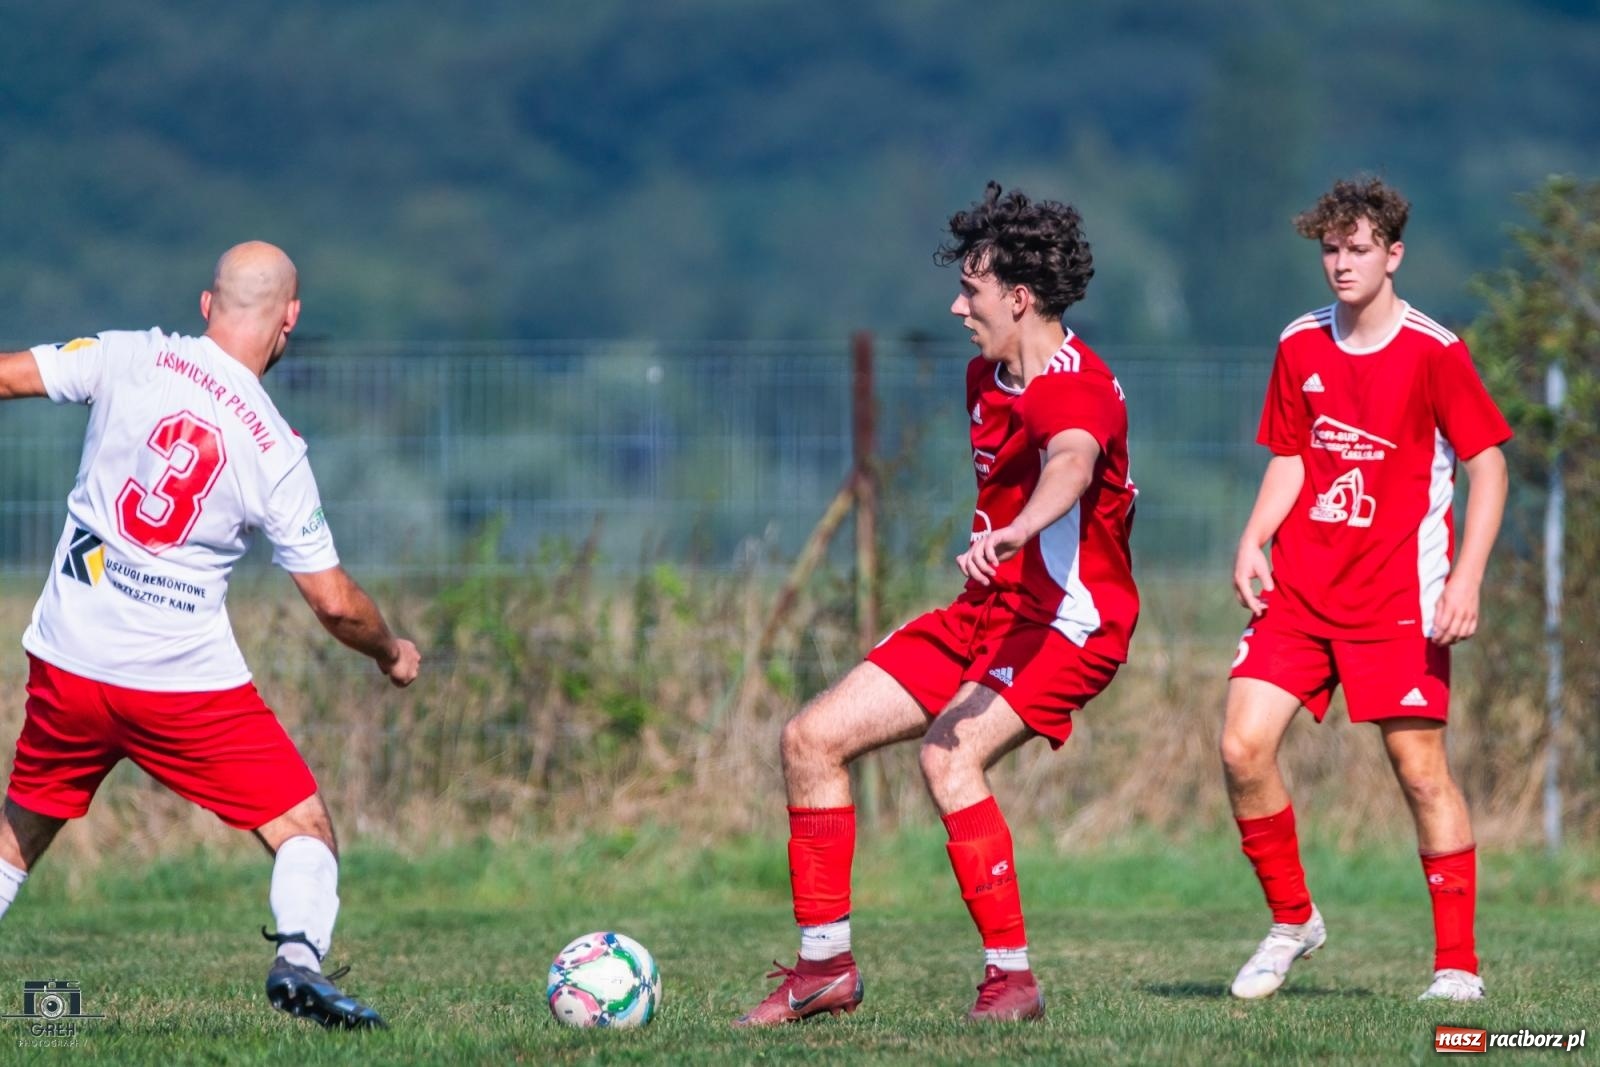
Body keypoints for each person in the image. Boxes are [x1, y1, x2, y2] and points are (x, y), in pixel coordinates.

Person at [735, 182, 1138, 1025]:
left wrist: (1018, 530)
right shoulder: (984, 377)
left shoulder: (1078, 387)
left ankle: (1011, 980)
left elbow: (1071, 462)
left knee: (948, 757)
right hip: (985, 613)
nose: (957, 306)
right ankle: (823, 969)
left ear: (1018, 297)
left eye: (971, 289)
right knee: (810, 739)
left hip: (1068, 625)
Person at [0, 242, 421, 1029]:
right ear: (290, 319)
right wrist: (391, 650)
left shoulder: (125, 355)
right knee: (303, 827)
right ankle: (299, 961)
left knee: (19, 832)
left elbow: (6, 374)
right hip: (180, 685)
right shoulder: (274, 445)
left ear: (205, 304)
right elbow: (334, 603)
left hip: (68, 662)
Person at [1222, 178, 1510, 1002]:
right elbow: (1290, 454)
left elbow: (1489, 465)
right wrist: (1253, 536)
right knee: (1241, 747)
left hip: (1398, 603)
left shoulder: (1434, 351)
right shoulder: (1299, 343)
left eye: (1358, 249)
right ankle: (1292, 921)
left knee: (1420, 772)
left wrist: (1466, 578)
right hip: (1301, 594)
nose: (1342, 264)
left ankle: (1457, 968)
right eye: (1330, 249)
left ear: (1393, 255)